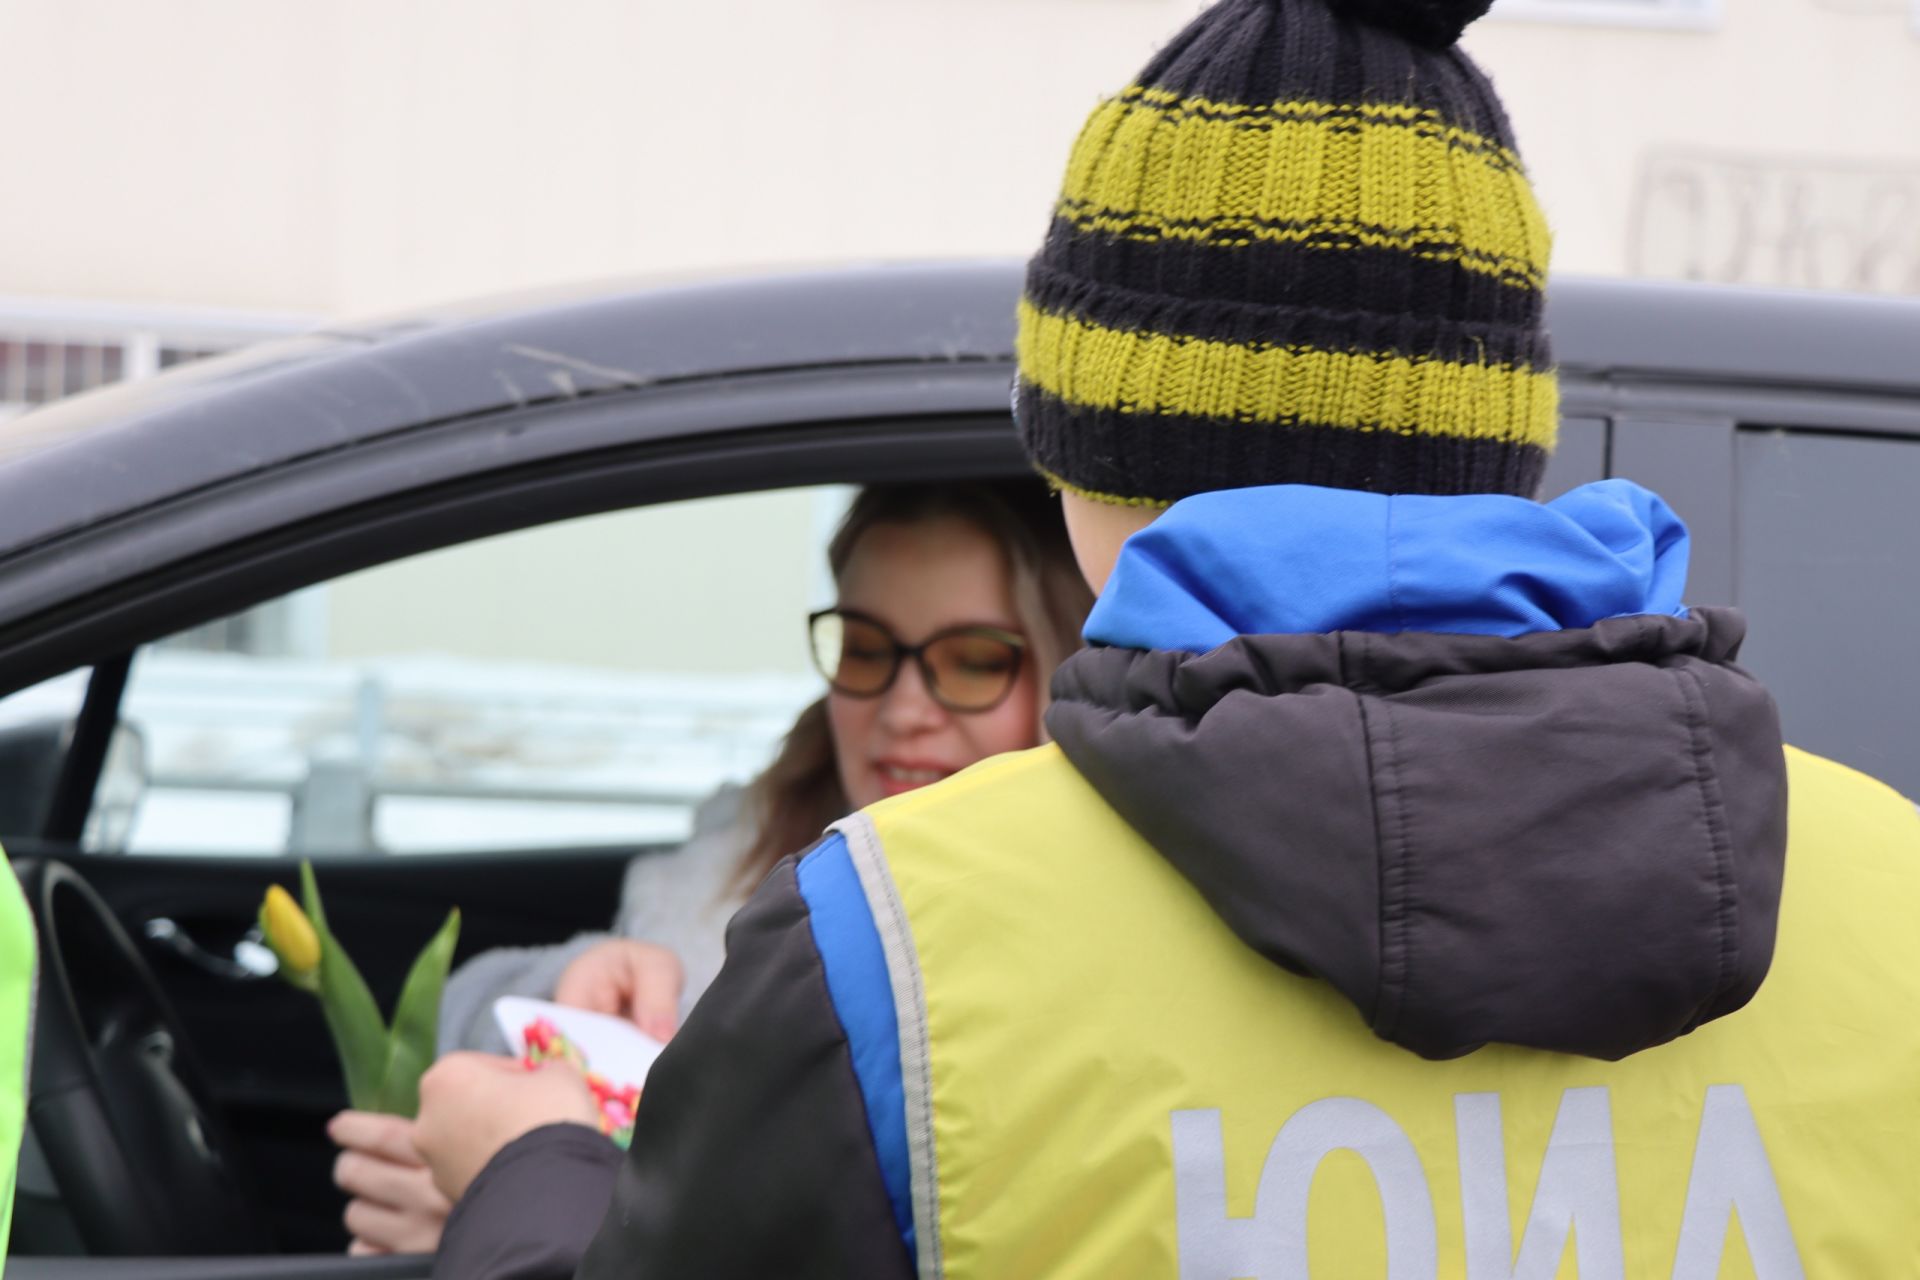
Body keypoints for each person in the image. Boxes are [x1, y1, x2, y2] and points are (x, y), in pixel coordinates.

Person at [416, 0, 1920, 1274]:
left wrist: (536, 1179)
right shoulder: (1890, 900)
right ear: (1504, 439)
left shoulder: (895, 957)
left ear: (1079, 470)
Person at [327, 478, 1093, 1256]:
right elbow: (460, 1018)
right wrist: (571, 985)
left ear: (1066, 659)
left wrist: (508, 1214)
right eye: (865, 649)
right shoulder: (734, 864)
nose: (902, 709)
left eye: (970, 663)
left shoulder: (1092, 945)